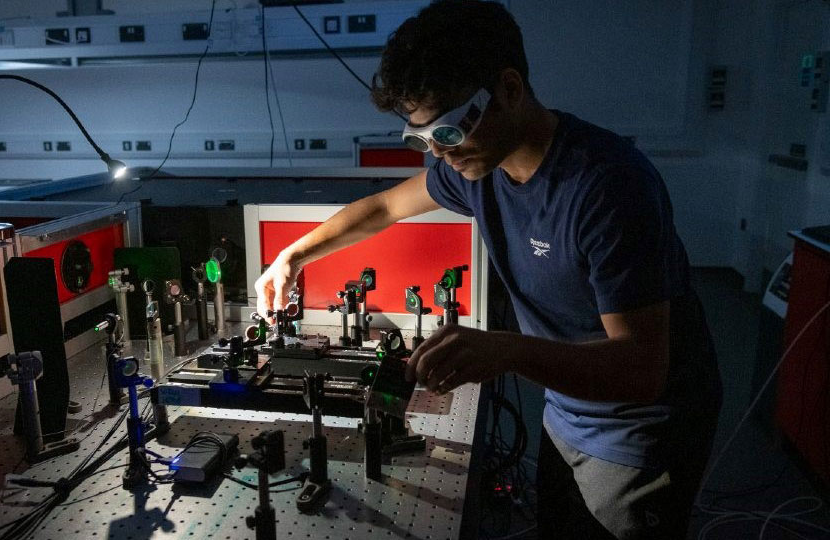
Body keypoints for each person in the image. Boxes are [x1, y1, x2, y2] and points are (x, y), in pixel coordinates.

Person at [254, 1, 721, 538]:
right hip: (568, 408)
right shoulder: (479, 170)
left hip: (639, 430)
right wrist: (292, 256)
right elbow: (382, 208)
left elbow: (640, 370)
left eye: (449, 131)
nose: (438, 152)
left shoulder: (607, 188)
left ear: (508, 89)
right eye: (421, 139)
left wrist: (505, 349)